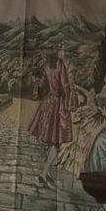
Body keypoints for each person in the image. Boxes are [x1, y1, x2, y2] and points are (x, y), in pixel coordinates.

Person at [29, 50, 73, 187]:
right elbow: (65, 87)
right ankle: (43, 173)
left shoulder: (47, 66)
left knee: (52, 141)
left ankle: (45, 172)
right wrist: (67, 105)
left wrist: (36, 83)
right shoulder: (60, 65)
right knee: (56, 142)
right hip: (59, 104)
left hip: (48, 103)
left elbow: (42, 85)